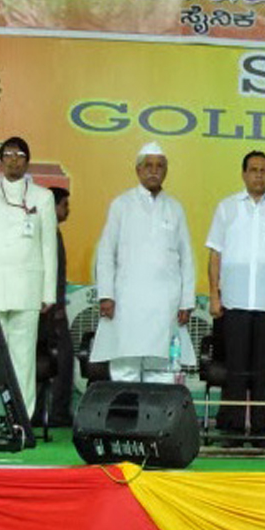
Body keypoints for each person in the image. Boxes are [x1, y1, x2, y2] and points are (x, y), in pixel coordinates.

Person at [206, 151, 265, 447]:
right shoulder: (226, 208)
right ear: (244, 174)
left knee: (263, 371)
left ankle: (261, 432)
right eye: (253, 170)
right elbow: (215, 254)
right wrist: (213, 293)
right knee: (235, 369)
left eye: (263, 171)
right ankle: (233, 431)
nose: (258, 175)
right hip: (233, 302)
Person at [0, 137, 57, 414]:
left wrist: (47, 292)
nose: (13, 159)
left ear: (27, 160)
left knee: (23, 356)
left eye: (19, 154)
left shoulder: (43, 196)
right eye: (8, 154)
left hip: (28, 286)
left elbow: (48, 247)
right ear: (0, 160)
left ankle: (22, 418)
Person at [91, 143, 196, 384]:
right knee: (124, 370)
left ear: (166, 171)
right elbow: (106, 252)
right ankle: (127, 421)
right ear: (138, 170)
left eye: (160, 166)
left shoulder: (175, 208)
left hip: (165, 304)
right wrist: (106, 294)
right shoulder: (122, 205)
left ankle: (156, 422)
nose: (154, 171)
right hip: (127, 302)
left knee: (161, 371)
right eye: (148, 166)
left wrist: (186, 301)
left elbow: (186, 258)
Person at [37, 186, 74, 426]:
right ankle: (56, 414)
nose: (68, 210)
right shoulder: (46, 232)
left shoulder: (52, 231)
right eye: (65, 205)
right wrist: (57, 305)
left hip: (50, 310)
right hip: (50, 312)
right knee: (61, 361)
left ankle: (41, 413)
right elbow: (50, 275)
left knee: (47, 362)